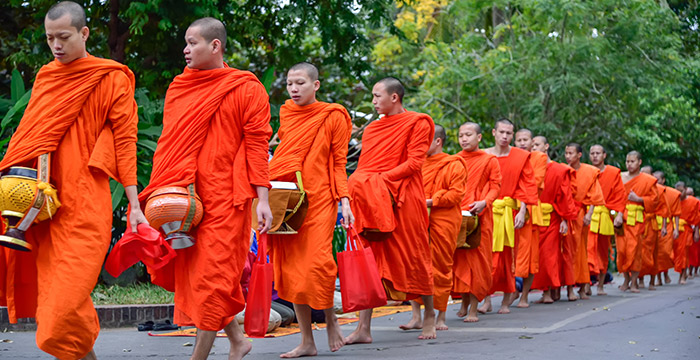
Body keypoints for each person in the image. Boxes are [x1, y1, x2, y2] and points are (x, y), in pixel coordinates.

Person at [0, 2, 146, 359]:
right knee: (68, 312)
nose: (56, 45)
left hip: (85, 205)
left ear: (84, 33)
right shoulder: (48, 76)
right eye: (50, 38)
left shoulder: (111, 77)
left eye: (63, 37)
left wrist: (135, 205)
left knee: (60, 315)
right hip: (44, 207)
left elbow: (125, 141)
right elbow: (28, 137)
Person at [140, 18, 273, 360]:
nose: (185, 50)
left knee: (212, 277)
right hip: (185, 199)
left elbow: (258, 145)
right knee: (199, 275)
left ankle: (197, 357)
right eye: (185, 42)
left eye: (192, 42)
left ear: (215, 46)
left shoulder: (246, 87)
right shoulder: (179, 87)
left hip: (229, 198)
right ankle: (238, 341)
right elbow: (169, 143)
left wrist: (263, 199)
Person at [267, 62, 354, 358]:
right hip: (288, 200)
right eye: (290, 83)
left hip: (319, 201)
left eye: (301, 83)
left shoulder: (333, 115)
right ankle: (307, 341)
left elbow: (338, 162)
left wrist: (344, 200)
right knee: (292, 272)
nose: (294, 89)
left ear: (316, 85)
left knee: (318, 265)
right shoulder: (286, 113)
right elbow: (283, 152)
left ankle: (331, 320)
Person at [345, 77, 436, 342]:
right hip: (374, 200)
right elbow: (364, 167)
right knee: (368, 259)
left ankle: (429, 315)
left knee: (416, 255)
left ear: (394, 97)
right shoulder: (373, 129)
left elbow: (414, 164)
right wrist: (361, 188)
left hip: (406, 198)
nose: (373, 102)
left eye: (376, 96)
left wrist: (380, 180)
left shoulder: (417, 122)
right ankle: (363, 328)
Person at [409, 124, 467, 331]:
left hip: (444, 219)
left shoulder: (454, 164)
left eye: (424, 140)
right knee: (415, 266)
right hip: (416, 219)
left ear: (437, 141)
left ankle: (440, 315)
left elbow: (456, 194)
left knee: (441, 266)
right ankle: (416, 316)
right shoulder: (415, 164)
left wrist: (430, 202)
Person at [481, 119, 538, 314]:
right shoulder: (484, 155)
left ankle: (506, 301)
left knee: (508, 258)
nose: (505, 136)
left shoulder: (521, 156)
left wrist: (522, 211)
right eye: (502, 132)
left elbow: (527, 185)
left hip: (510, 213)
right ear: (494, 132)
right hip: (488, 211)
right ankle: (486, 300)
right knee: (486, 257)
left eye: (508, 133)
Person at [452, 122, 502, 322]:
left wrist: (485, 202)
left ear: (479, 137)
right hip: (457, 215)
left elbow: (496, 186)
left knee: (477, 262)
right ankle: (464, 301)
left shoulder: (489, 160)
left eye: (469, 135)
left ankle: (474, 308)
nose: (464, 139)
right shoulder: (454, 160)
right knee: (460, 261)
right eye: (461, 135)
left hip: (481, 215)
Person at [530, 136, 578, 303]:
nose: (533, 147)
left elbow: (564, 196)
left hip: (553, 218)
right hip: (534, 217)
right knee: (538, 256)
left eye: (537, 144)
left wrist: (565, 219)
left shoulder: (558, 170)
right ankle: (548, 290)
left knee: (550, 255)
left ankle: (550, 291)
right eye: (532, 145)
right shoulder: (530, 167)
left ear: (546, 146)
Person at [563, 143, 605, 300]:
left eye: (571, 153)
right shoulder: (563, 170)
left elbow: (595, 195)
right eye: (566, 153)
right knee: (567, 251)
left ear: (579, 155)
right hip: (566, 213)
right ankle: (567, 288)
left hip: (581, 214)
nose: (568, 156)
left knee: (580, 251)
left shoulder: (589, 172)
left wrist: (590, 214)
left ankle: (581, 286)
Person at [513, 129, 547, 308]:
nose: (522, 143)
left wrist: (523, 205)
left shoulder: (538, 158)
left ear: (532, 141)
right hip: (510, 209)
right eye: (518, 140)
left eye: (525, 140)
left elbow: (535, 183)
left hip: (531, 210)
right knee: (508, 255)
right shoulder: (512, 156)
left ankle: (524, 295)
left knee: (530, 255)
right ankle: (510, 292)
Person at [586, 145, 626, 295]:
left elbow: (620, 195)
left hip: (604, 216)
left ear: (604, 155)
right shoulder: (586, 171)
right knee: (587, 251)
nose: (595, 156)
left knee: (602, 251)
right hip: (587, 216)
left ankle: (601, 285)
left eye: (598, 153)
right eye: (592, 153)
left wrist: (619, 215)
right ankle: (587, 285)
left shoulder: (613, 173)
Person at [619, 151, 658, 293]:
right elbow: (615, 197)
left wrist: (639, 199)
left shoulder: (647, 180)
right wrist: (617, 214)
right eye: (627, 162)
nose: (629, 164)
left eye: (632, 162)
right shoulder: (621, 177)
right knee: (622, 251)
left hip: (636, 220)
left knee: (634, 251)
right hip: (621, 218)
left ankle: (634, 282)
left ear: (639, 162)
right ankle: (626, 278)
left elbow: (655, 201)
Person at [637, 166, 667, 290]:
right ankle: (640, 279)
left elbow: (664, 209)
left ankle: (652, 280)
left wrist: (664, 226)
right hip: (639, 221)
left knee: (652, 252)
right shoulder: (637, 186)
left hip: (652, 224)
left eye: (646, 173)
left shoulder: (659, 189)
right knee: (638, 251)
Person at [652, 171, 681, 286]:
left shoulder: (672, 194)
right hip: (653, 223)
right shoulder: (651, 191)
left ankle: (665, 274)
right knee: (656, 252)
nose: (655, 181)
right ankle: (658, 277)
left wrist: (676, 229)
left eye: (658, 179)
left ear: (663, 180)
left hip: (666, 225)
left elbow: (676, 213)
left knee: (665, 252)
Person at [674, 183, 700, 284]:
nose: (680, 193)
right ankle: (680, 273)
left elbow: (697, 217)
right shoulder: (674, 201)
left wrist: (696, 232)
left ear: (685, 189)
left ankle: (683, 275)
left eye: (682, 191)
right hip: (675, 230)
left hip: (686, 231)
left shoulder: (693, 202)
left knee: (684, 253)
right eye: (678, 191)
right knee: (676, 254)